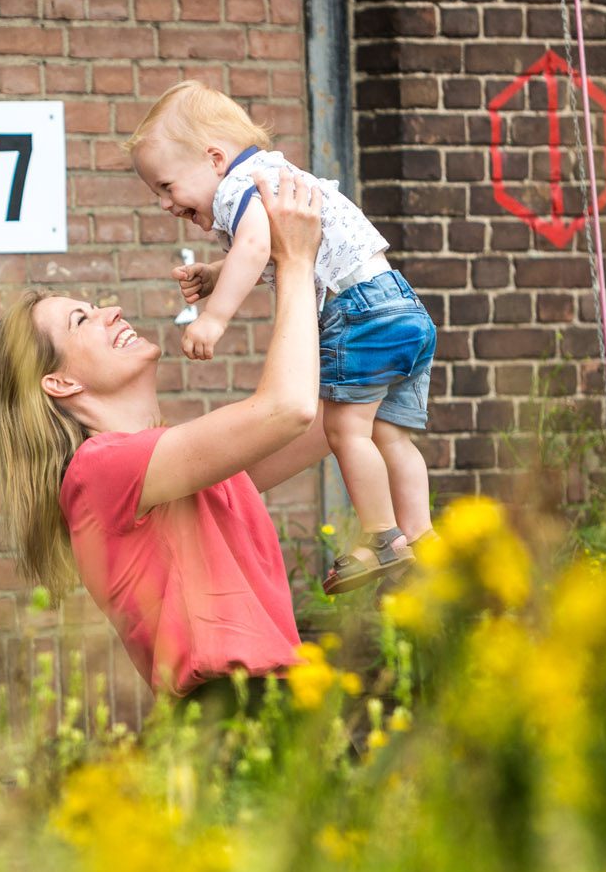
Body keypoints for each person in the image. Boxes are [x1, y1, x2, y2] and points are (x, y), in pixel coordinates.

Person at [0, 168, 333, 706]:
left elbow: (334, 416)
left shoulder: (181, 467)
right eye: (83, 319)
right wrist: (294, 261)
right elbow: (288, 409)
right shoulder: (98, 471)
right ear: (61, 382)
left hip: (280, 700)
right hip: (229, 708)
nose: (111, 312)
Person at [127, 80, 438, 594]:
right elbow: (263, 247)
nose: (164, 203)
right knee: (390, 434)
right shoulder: (269, 174)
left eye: (165, 186)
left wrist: (214, 318)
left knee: (345, 433)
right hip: (399, 306)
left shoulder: (237, 186)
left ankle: (382, 536)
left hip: (355, 312)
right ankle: (422, 532)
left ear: (213, 158)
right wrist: (214, 273)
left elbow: (253, 248)